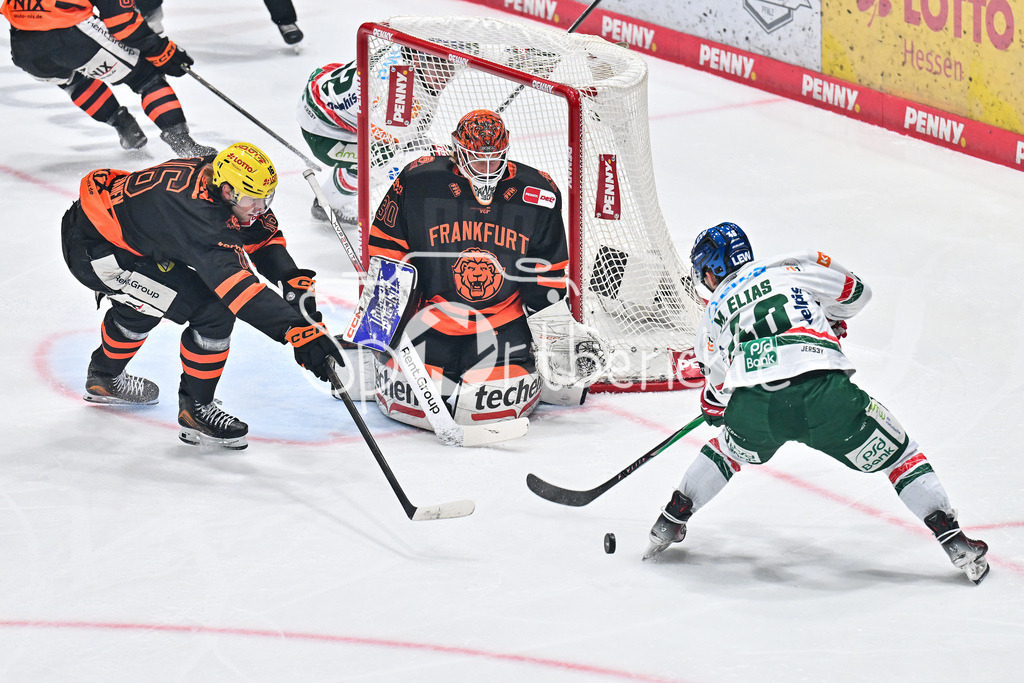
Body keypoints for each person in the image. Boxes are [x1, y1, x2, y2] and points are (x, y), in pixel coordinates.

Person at [643, 222, 990, 584]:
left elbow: (716, 395)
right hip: (825, 396)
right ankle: (953, 540)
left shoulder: (711, 315)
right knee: (901, 457)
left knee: (727, 449)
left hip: (756, 410)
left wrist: (713, 409)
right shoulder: (790, 266)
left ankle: (671, 520)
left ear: (712, 270)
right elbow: (858, 293)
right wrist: (828, 318)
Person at [61, 142, 344, 450]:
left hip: (121, 232)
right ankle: (197, 410)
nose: (260, 208)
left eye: (266, 198)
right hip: (98, 254)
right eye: (252, 200)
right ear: (225, 191)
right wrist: (295, 330)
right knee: (212, 310)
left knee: (152, 300)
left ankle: (103, 378)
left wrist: (292, 282)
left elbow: (260, 239)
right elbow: (238, 289)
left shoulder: (221, 174)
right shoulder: (202, 219)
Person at [363, 108, 602, 431]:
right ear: (456, 151)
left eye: (495, 159)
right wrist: (387, 316)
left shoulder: (539, 194)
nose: (486, 168)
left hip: (503, 322)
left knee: (484, 400)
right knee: (413, 395)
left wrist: (555, 332)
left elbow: (545, 271)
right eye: (476, 158)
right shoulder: (419, 181)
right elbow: (387, 247)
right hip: (434, 319)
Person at [1, 0, 214, 156]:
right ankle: (183, 142)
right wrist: (162, 51)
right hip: (70, 34)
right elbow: (122, 23)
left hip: (24, 48)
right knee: (146, 77)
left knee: (74, 82)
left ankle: (123, 125)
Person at [296, 52, 456, 228]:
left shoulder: (403, 50)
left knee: (390, 151)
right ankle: (328, 202)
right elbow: (393, 150)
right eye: (439, 67)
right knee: (383, 161)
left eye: (449, 67)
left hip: (320, 87)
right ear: (419, 60)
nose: (447, 74)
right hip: (324, 135)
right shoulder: (399, 103)